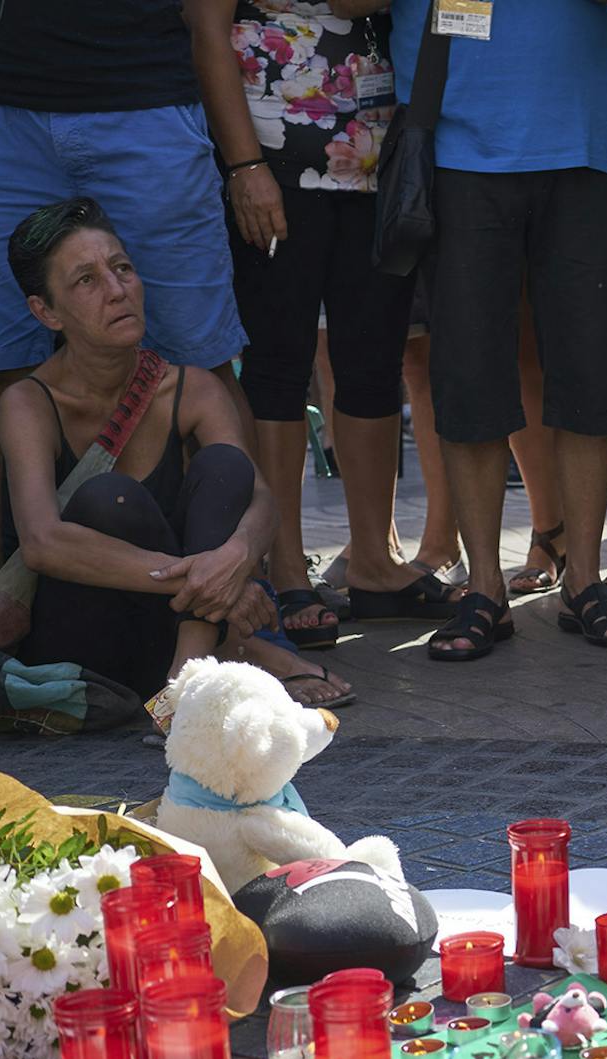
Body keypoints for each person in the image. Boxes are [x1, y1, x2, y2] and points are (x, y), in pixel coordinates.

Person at [332, 0, 607, 662]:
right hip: (455, 148)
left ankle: (585, 579)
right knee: (467, 374)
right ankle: (484, 589)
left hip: (581, 140)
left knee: (590, 368)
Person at [197, 0, 452, 651]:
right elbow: (207, 25)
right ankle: (285, 572)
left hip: (380, 152)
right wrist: (244, 166)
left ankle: (374, 563)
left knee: (373, 364)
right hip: (274, 152)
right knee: (279, 368)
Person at [0, 0, 249, 580]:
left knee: (201, 366)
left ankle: (240, 593)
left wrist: (246, 162)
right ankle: (5, 597)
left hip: (145, 101)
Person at [0, 199, 282, 706]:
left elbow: (259, 497)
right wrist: (206, 579)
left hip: (169, 643)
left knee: (227, 465)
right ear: (46, 311)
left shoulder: (191, 389)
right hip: (81, 647)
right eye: (86, 280)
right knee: (110, 499)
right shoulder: (28, 403)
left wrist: (235, 557)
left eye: (121, 268)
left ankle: (188, 679)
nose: (116, 290)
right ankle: (214, 665)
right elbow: (42, 542)